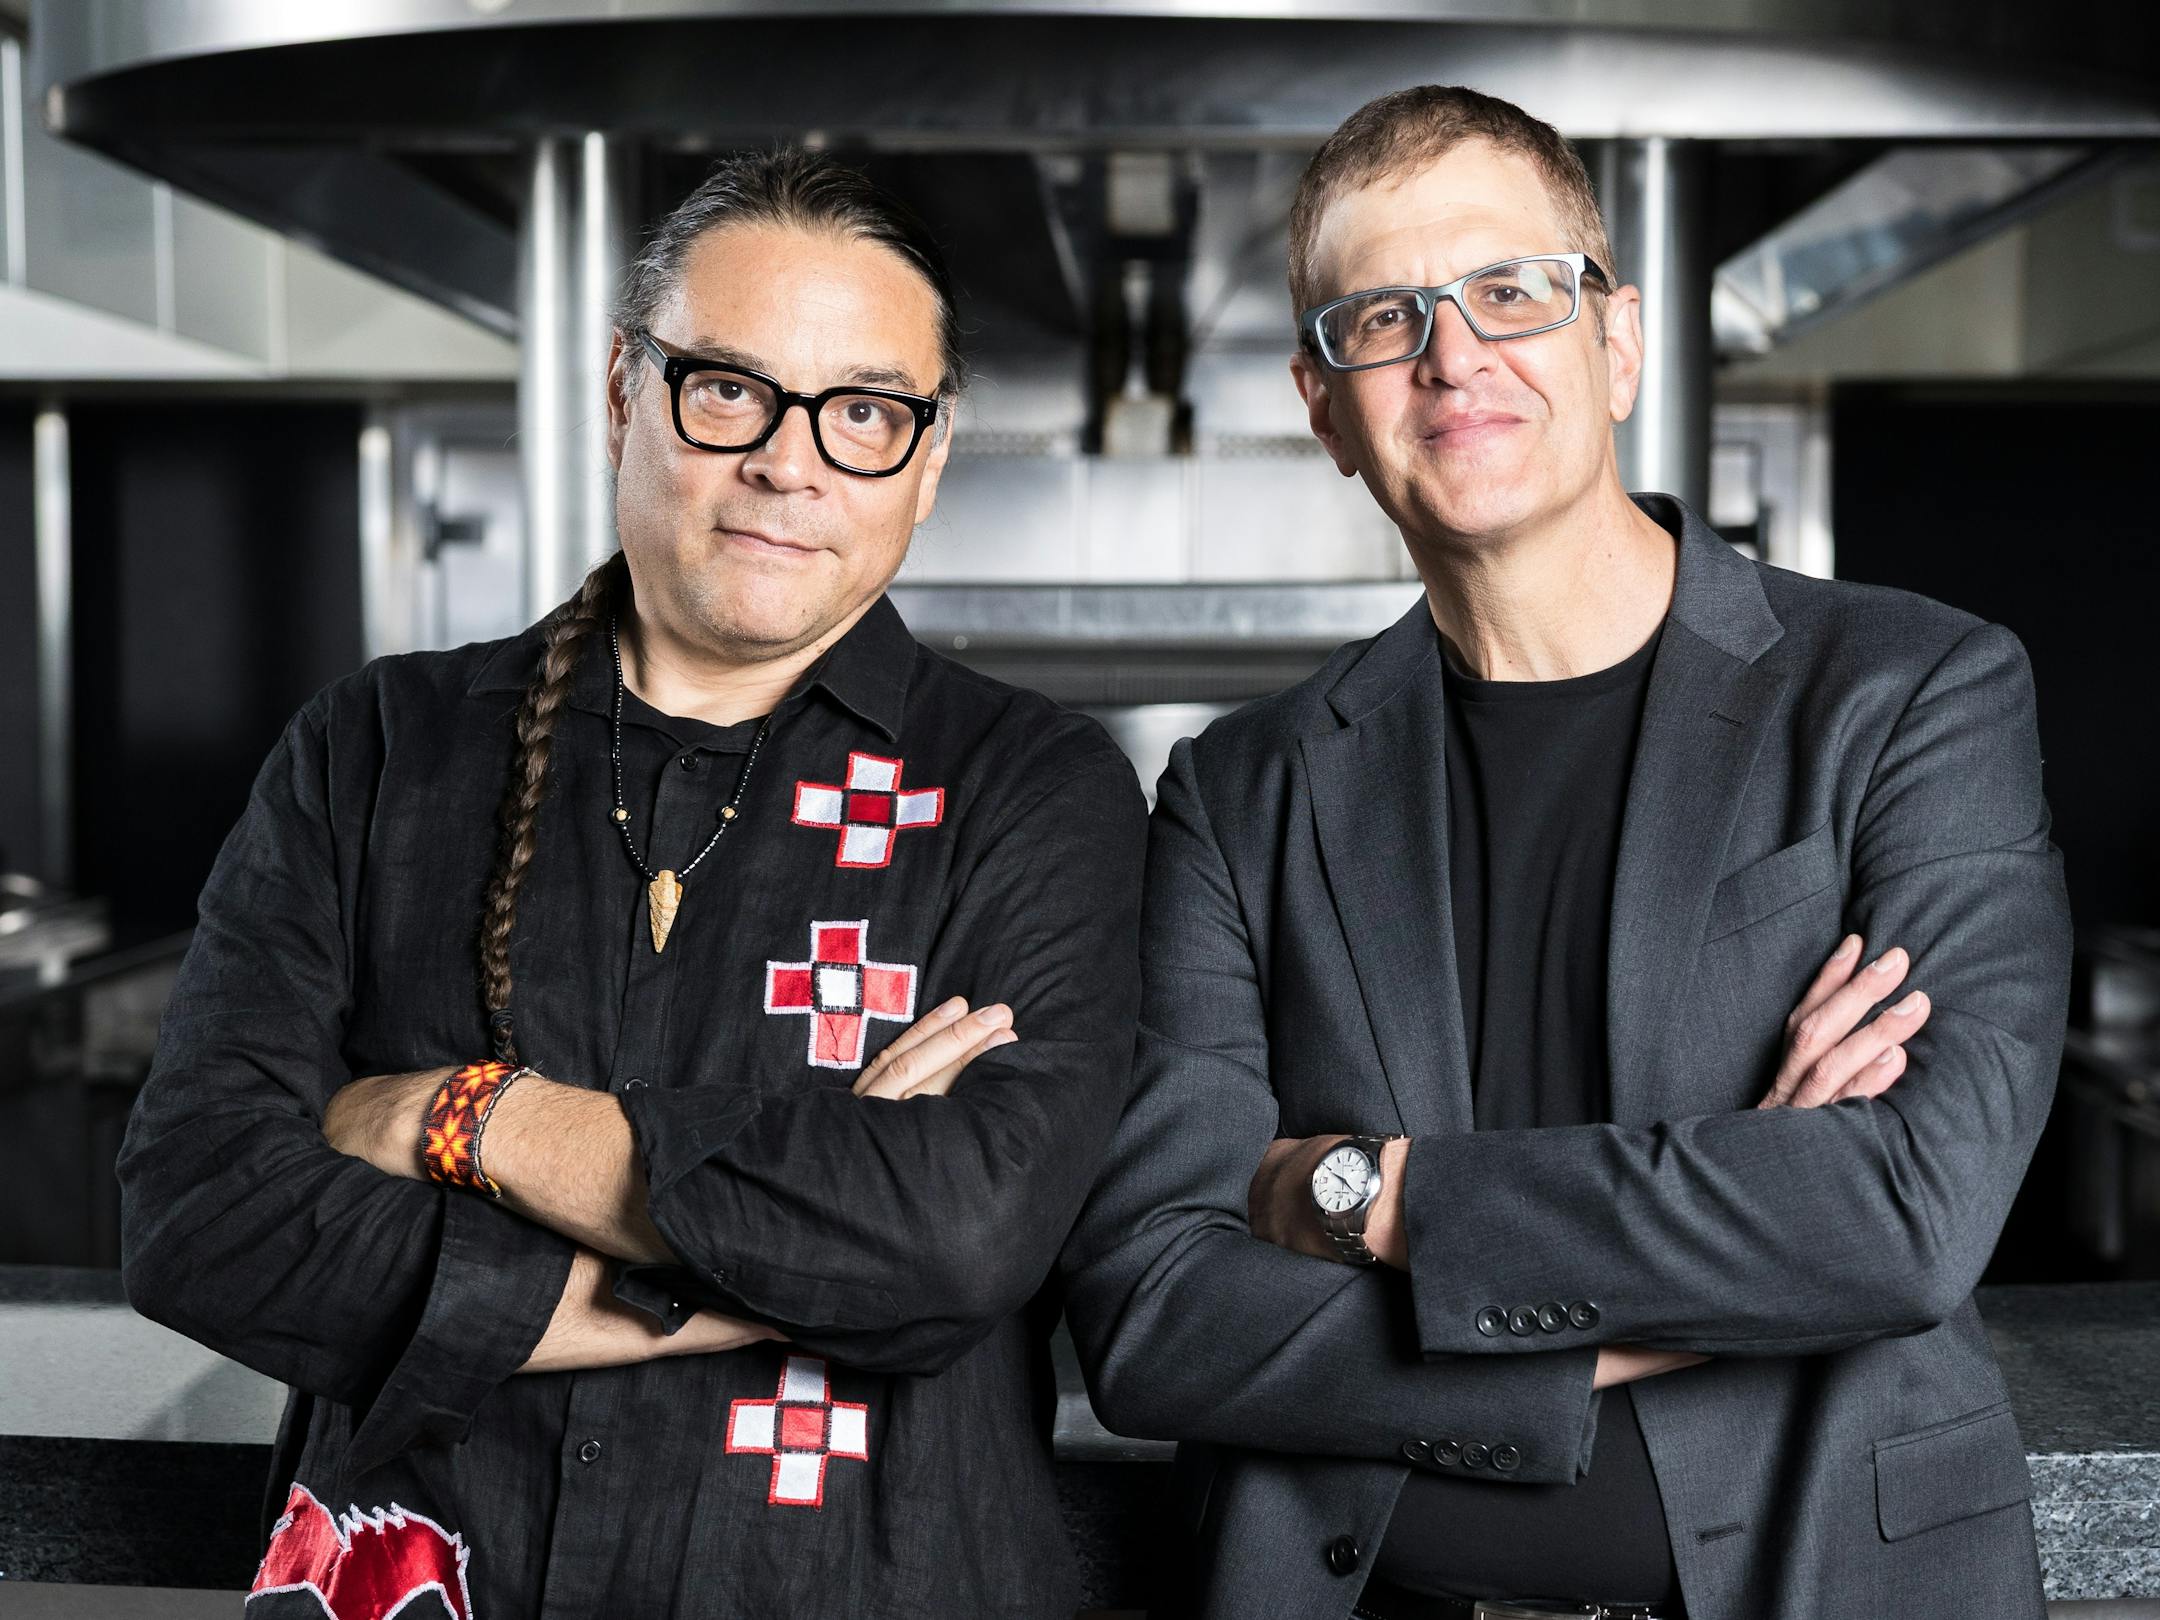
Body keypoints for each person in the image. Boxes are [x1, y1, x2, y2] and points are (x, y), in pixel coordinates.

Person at [1061, 85, 2069, 1620]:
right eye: (1382, 319)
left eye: (1509, 292)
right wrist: (1714, 1268)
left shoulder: (1910, 694)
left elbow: (1903, 1217)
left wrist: (1369, 1201)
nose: (1452, 354)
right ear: (1326, 407)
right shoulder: (1240, 792)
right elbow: (1152, 1314)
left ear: (1617, 343)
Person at [118, 148, 1145, 1618]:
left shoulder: (1035, 790)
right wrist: (770, 1253)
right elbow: (202, 1217)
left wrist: (470, 1117)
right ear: (623, 392)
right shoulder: (376, 749)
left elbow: (961, 1234)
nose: (789, 462)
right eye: (728, 388)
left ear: (926, 458)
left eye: (863, 413)